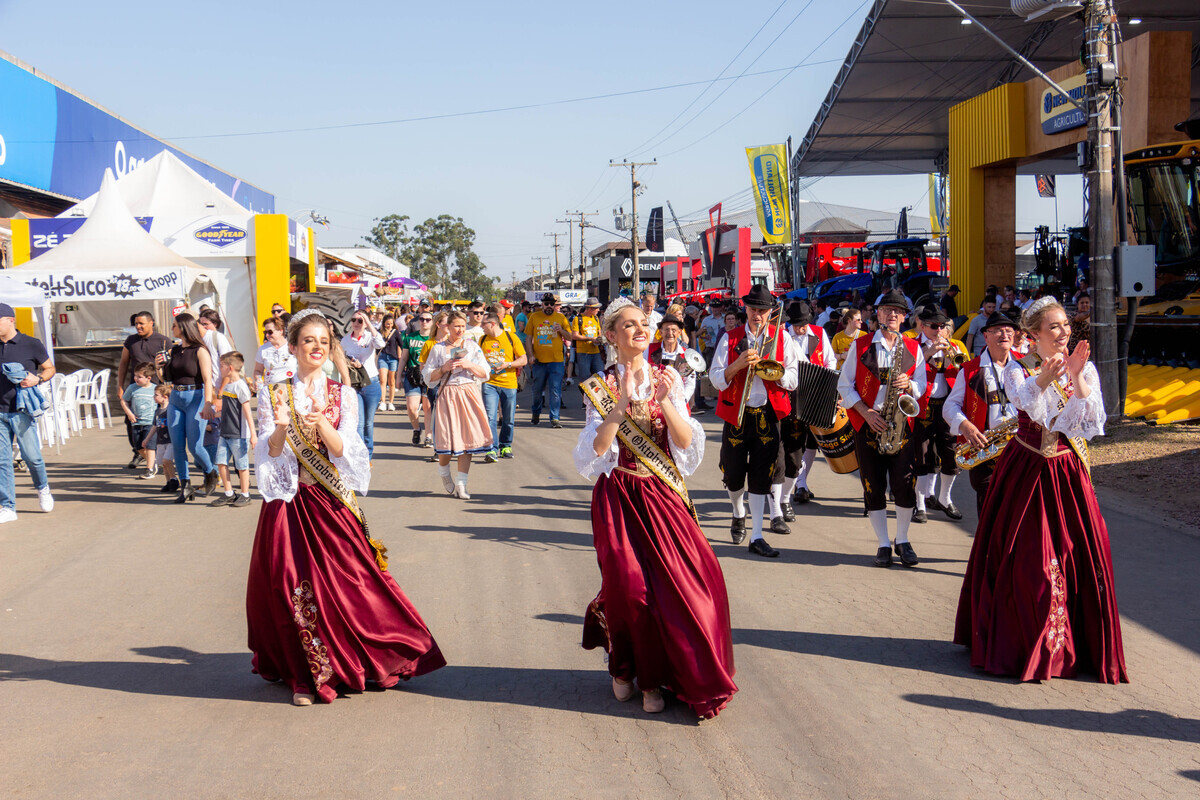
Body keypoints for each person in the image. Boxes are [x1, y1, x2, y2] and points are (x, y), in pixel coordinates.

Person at [248, 310, 445, 705]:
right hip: (291, 505)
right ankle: (304, 675)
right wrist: (284, 425)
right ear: (292, 347)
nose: (317, 347)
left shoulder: (344, 395)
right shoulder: (275, 393)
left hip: (332, 503)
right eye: (308, 341)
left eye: (324, 341)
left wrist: (321, 423)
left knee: (350, 584)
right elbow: (270, 453)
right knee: (292, 587)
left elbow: (345, 453)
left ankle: (355, 658)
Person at [573, 297, 736, 718]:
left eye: (643, 323)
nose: (639, 329)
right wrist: (622, 403)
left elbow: (684, 442)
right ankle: (628, 670)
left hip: (662, 495)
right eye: (628, 325)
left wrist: (663, 400)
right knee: (630, 589)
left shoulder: (670, 377)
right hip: (620, 496)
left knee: (697, 580)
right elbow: (596, 449)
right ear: (611, 336)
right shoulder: (600, 386)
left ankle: (670, 674)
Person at [954, 298, 1127, 683]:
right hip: (1028, 469)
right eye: (1054, 327)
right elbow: (1028, 406)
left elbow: (1089, 419)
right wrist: (1048, 377)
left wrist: (1078, 375)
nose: (1064, 332)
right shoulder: (1019, 369)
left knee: (1076, 554)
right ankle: (1027, 647)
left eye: (1065, 325)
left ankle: (1075, 646)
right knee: (1032, 562)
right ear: (1033, 336)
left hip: (1067, 471)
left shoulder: (1085, 367)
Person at [710, 285, 801, 558]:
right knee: (734, 474)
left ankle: (758, 534)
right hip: (736, 415)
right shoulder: (730, 338)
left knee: (762, 476)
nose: (757, 315)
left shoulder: (782, 339)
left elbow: (794, 379)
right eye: (752, 309)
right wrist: (738, 364)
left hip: (768, 414)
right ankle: (738, 512)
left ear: (770, 312)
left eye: (762, 310)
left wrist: (776, 373)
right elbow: (715, 379)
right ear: (745, 310)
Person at [838, 290, 926, 568]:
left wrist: (910, 385)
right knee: (873, 487)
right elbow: (843, 385)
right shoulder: (862, 345)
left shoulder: (913, 348)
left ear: (904, 317)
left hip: (901, 426)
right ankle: (883, 543)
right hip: (869, 424)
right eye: (887, 309)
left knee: (904, 485)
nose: (892, 315)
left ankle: (902, 538)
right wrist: (865, 412)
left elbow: (922, 387)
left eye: (897, 311)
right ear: (878, 314)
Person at [943, 311, 1019, 515]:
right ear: (985, 336)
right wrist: (965, 426)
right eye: (997, 331)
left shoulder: (1026, 365)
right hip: (986, 451)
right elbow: (949, 407)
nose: (1004, 335)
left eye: (1009, 330)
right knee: (990, 514)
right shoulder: (970, 370)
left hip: (1020, 449)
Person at [422, 310, 492, 499]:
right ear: (448, 327)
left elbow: (485, 372)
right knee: (446, 442)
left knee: (467, 442)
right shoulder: (437, 349)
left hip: (469, 393)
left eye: (462, 326)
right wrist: (444, 368)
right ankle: (444, 470)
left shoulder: (472, 346)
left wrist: (468, 365)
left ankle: (462, 484)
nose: (460, 330)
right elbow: (427, 376)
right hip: (448, 395)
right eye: (456, 326)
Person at [911, 307, 969, 523]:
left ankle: (945, 498)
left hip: (947, 407)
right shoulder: (913, 345)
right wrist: (928, 353)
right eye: (934, 326)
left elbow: (963, 372)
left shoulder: (954, 346)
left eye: (942, 326)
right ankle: (920, 504)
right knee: (922, 456)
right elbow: (907, 370)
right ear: (922, 325)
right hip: (922, 406)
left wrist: (949, 356)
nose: (939, 330)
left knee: (950, 453)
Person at [0, 303, 56, 522]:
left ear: (10, 320)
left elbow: (50, 368)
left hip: (22, 410)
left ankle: (42, 488)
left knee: (32, 457)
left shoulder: (31, 344)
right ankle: (7, 506)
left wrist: (38, 378)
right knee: (2, 461)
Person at [779, 302, 837, 514]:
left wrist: (827, 385)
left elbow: (830, 362)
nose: (799, 328)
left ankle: (801, 483)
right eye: (795, 324)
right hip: (791, 394)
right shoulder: (784, 336)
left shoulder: (820, 333)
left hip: (816, 392)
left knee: (812, 440)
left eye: (802, 324)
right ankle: (790, 483)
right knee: (794, 442)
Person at [154, 313, 218, 503]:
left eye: (174, 325)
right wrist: (157, 367)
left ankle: (210, 471)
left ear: (183, 327)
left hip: (196, 397)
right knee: (178, 444)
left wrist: (208, 403)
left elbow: (208, 380)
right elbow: (166, 379)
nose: (172, 329)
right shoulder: (174, 351)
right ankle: (186, 485)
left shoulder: (200, 351)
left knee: (195, 445)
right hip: (176, 397)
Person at [118, 311, 171, 468]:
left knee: (157, 423)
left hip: (158, 391)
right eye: (136, 324)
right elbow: (123, 363)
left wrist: (168, 388)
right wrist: (120, 387)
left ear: (151, 323)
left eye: (141, 323)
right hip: (136, 391)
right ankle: (139, 453)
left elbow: (170, 365)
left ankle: (159, 456)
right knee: (132, 423)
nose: (138, 326)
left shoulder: (163, 341)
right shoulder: (131, 341)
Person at [479, 313, 527, 461]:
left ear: (492, 324)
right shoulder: (483, 339)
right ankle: (491, 449)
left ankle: (505, 445)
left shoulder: (511, 337)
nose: (481, 326)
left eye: (484, 324)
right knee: (490, 417)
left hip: (509, 383)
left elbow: (523, 359)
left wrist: (508, 364)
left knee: (508, 418)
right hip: (489, 383)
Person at [211, 352, 256, 508]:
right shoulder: (228, 386)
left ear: (230, 368)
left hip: (239, 434)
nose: (220, 368)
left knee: (241, 466)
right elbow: (227, 409)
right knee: (221, 463)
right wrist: (213, 414)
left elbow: (247, 411)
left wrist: (253, 434)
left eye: (221, 366)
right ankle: (229, 493)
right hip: (225, 432)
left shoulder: (241, 387)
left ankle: (245, 494)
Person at [341, 311, 385, 459]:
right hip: (354, 384)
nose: (356, 323)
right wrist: (350, 362)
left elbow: (381, 344)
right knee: (358, 422)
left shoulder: (369, 336)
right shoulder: (346, 340)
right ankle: (361, 456)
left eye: (360, 320)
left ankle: (369, 453)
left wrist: (370, 324)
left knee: (368, 422)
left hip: (371, 382)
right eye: (354, 320)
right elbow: (340, 359)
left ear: (365, 322)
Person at [524, 293, 571, 428]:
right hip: (539, 361)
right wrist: (530, 355)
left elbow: (570, 337)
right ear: (542, 304)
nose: (549, 306)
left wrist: (561, 330)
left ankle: (555, 418)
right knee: (538, 390)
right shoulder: (534, 317)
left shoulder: (561, 317)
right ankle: (536, 413)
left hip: (556, 361)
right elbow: (528, 338)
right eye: (546, 303)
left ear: (555, 305)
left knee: (555, 390)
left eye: (552, 303)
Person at [399, 311, 434, 447]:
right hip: (412, 374)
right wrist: (398, 376)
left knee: (427, 407)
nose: (424, 322)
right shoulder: (410, 337)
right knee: (412, 408)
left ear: (432, 322)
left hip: (428, 375)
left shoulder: (434, 339)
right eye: (422, 319)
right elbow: (403, 358)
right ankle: (416, 429)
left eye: (427, 319)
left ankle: (428, 436)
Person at [121, 363, 158, 479]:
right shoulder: (132, 388)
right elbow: (124, 401)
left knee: (149, 446)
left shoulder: (154, 389)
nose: (136, 378)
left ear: (148, 378)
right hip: (136, 423)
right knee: (139, 447)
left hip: (151, 424)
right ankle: (152, 462)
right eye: (135, 376)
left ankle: (150, 469)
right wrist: (129, 414)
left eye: (139, 377)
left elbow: (162, 403)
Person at [647, 314, 696, 402]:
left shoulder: (686, 355)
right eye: (666, 329)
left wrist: (683, 399)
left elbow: (690, 382)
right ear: (661, 332)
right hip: (654, 403)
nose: (670, 333)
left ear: (679, 332)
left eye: (673, 330)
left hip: (678, 402)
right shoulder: (649, 349)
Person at [254, 317, 296, 393]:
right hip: (271, 391)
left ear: (280, 331)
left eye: (270, 332)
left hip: (291, 390)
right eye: (265, 332)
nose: (267, 335)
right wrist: (258, 379)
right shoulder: (263, 349)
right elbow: (258, 370)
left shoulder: (293, 346)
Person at [149, 384, 178, 494]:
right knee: (163, 463)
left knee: (167, 460)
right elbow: (155, 426)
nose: (154, 397)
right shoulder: (158, 411)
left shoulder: (171, 409)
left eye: (156, 395)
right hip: (160, 441)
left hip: (170, 440)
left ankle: (174, 479)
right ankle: (168, 481)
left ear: (165, 396)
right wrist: (147, 439)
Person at [569, 298, 605, 382]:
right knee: (585, 378)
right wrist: (590, 339)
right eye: (596, 308)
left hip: (596, 352)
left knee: (600, 376)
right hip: (583, 353)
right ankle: (585, 395)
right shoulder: (578, 319)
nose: (598, 310)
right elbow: (574, 336)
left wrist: (600, 339)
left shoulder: (595, 318)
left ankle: (598, 395)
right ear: (590, 308)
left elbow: (599, 333)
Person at [198, 308, 235, 391]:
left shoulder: (220, 338)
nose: (203, 327)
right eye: (201, 324)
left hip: (220, 387)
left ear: (215, 324)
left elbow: (228, 365)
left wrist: (221, 392)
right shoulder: (199, 339)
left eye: (206, 324)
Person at [376, 314, 401, 412]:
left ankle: (391, 402)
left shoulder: (395, 332)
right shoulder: (379, 333)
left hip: (393, 358)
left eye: (391, 324)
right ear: (383, 323)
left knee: (391, 381)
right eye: (387, 324)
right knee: (382, 380)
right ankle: (382, 402)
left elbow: (402, 344)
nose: (389, 326)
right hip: (382, 357)